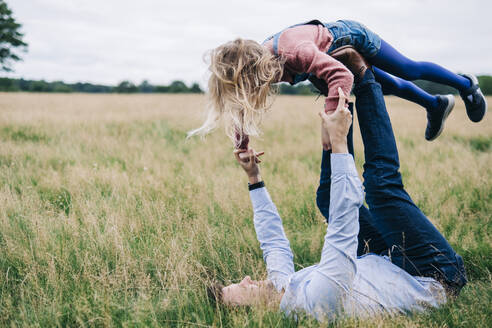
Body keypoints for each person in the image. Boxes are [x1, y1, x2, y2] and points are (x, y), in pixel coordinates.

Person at [208, 67, 467, 321]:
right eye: (241, 289)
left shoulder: (282, 289)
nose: (245, 279)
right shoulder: (316, 302)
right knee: (380, 189)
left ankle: (337, 89)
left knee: (326, 196)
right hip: (431, 275)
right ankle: (365, 78)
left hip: (384, 259)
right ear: (256, 313)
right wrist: (339, 142)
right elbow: (343, 226)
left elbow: (273, 242)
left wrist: (253, 177)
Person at [189, 19, 487, 148]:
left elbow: (340, 76)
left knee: (406, 70)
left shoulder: (294, 52)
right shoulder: (263, 68)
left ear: (254, 72)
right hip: (331, 55)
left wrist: (332, 125)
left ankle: (464, 85)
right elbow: (241, 103)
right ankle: (436, 104)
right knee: (386, 86)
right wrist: (242, 143)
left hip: (352, 37)